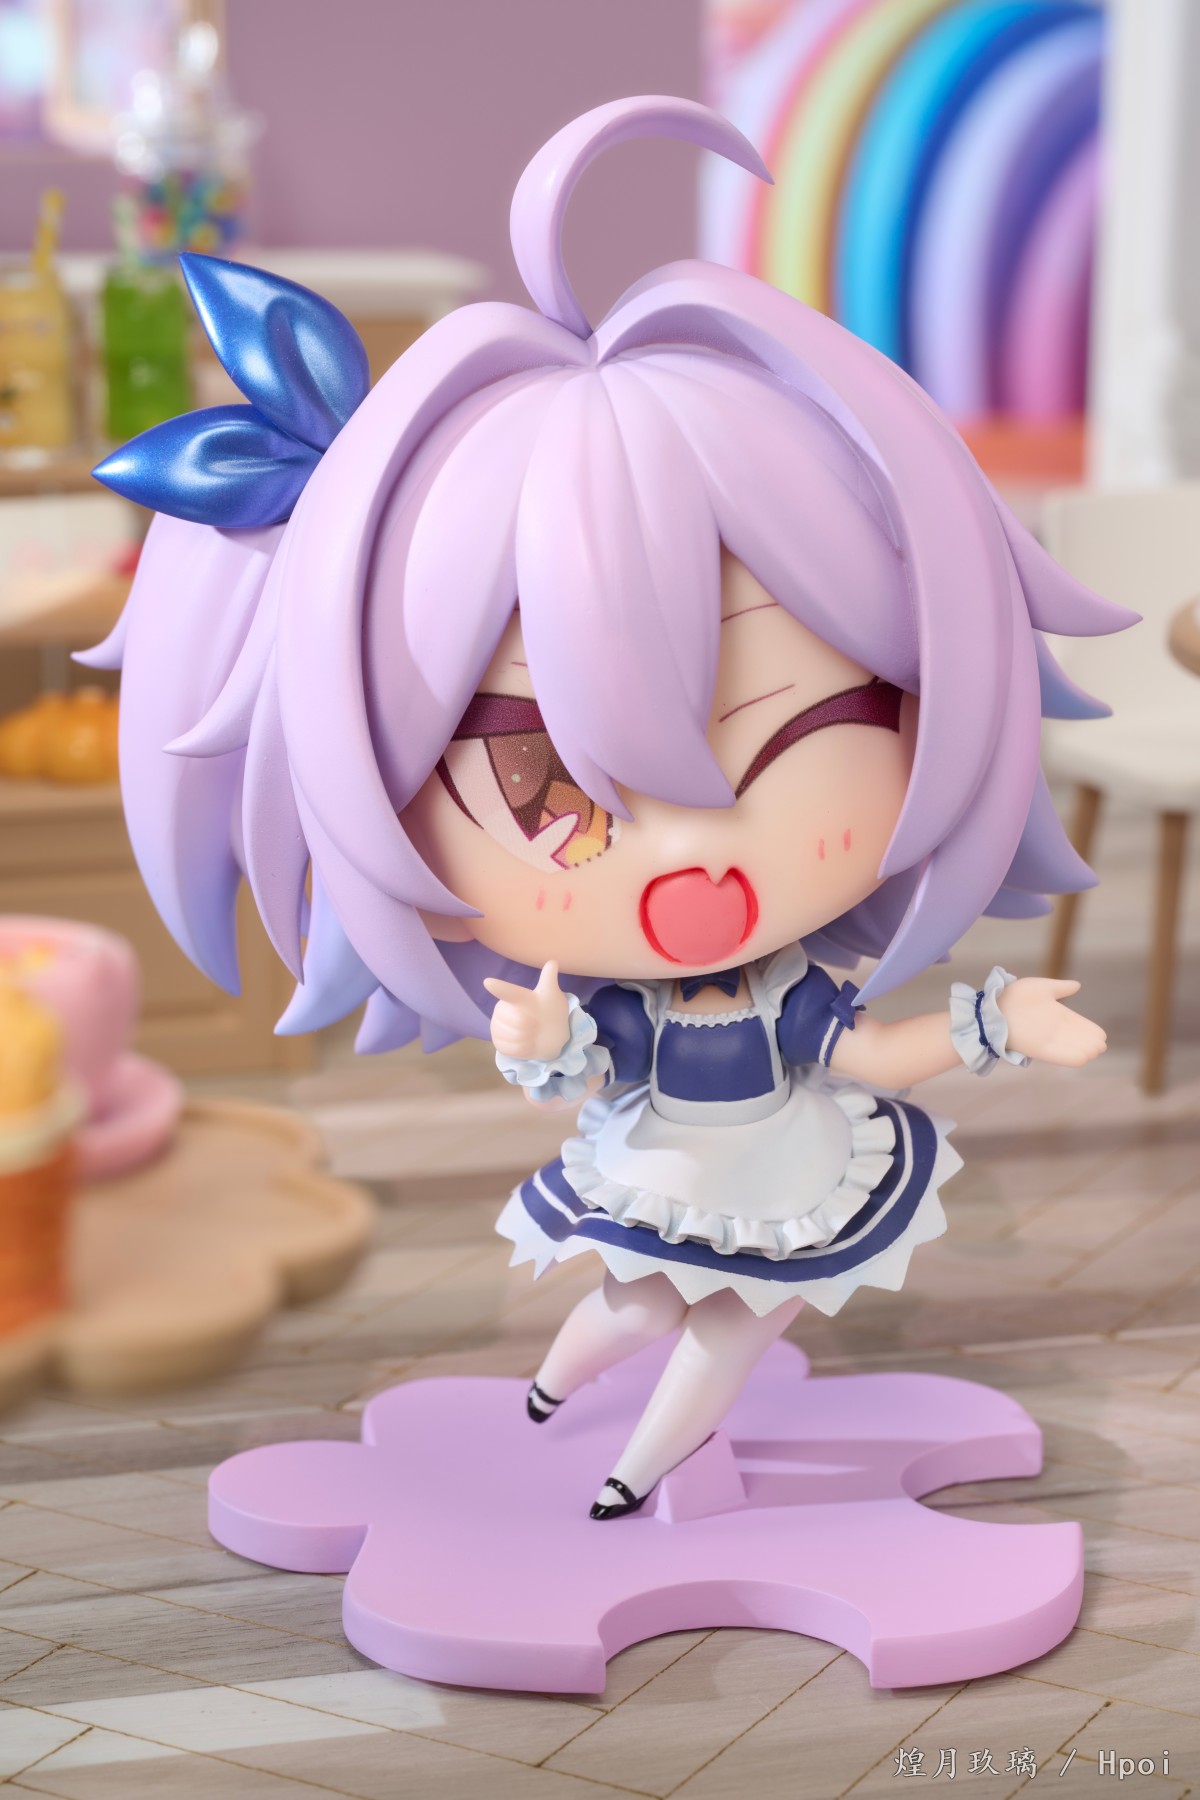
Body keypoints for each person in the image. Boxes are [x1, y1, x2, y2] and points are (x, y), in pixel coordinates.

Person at [90, 95, 1132, 1522]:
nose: (696, 851)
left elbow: (875, 1052)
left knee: (718, 1316)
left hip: (773, 1171)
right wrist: (536, 1035)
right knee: (656, 1305)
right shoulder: (655, 1012)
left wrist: (997, 1022)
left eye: (808, 731)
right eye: (549, 784)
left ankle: (624, 1461)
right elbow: (585, 1056)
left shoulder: (791, 997)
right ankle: (562, 1403)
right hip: (673, 1173)